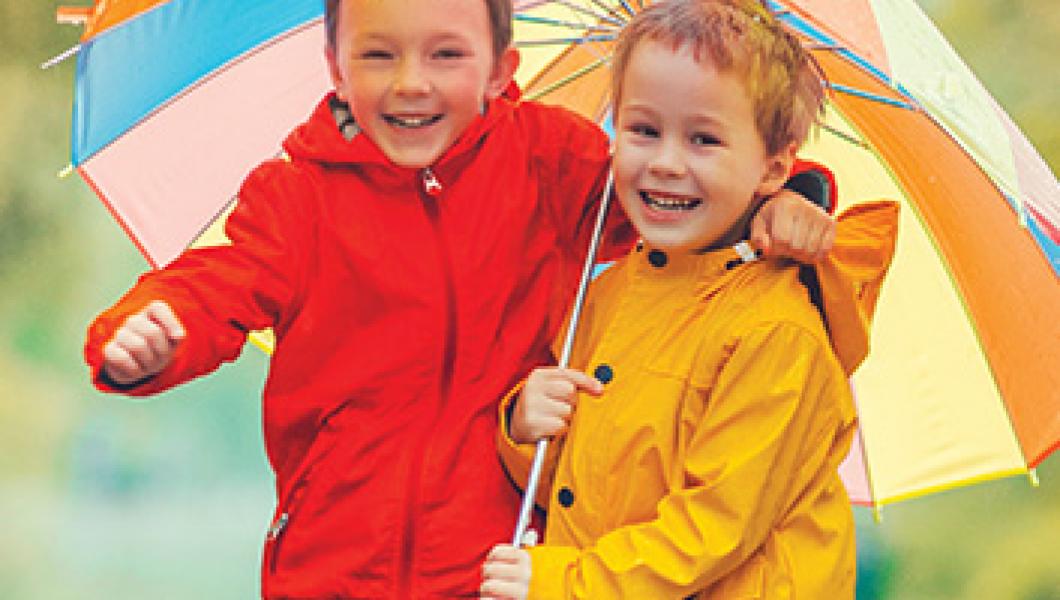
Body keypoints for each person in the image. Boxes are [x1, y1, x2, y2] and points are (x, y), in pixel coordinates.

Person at [85, 0, 857, 597]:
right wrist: (159, 327)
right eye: (378, 54)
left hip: (491, 558)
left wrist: (786, 205)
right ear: (334, 63)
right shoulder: (298, 198)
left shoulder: (548, 159)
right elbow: (221, 279)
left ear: (498, 67)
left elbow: (677, 217)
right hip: (332, 561)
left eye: (446, 54)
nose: (411, 82)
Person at [480, 0, 898, 598]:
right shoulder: (613, 292)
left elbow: (711, 529)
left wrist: (563, 584)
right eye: (643, 130)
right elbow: (587, 492)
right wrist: (525, 429)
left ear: (774, 167)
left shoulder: (776, 331)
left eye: (704, 140)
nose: (665, 163)